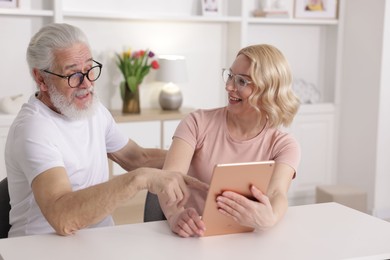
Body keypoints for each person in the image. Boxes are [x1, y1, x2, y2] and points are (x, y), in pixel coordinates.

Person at [5, 23, 207, 237]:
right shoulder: (33, 129)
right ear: (41, 79)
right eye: (73, 74)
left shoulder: (92, 110)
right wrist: (138, 179)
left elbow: (137, 158)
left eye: (90, 69)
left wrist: (197, 155)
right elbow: (62, 218)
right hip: (40, 247)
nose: (87, 84)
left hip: (97, 240)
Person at [159, 44, 301, 237]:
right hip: (193, 237)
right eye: (230, 76)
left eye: (242, 81)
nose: (229, 87)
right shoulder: (197, 123)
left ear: (267, 89)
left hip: (246, 239)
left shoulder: (284, 145)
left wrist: (271, 218)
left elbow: (277, 193)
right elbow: (168, 180)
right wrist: (176, 215)